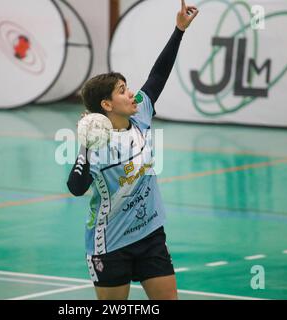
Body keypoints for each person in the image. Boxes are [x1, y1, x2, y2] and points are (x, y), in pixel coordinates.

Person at [67, 0, 199, 300]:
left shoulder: (139, 114)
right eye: (123, 90)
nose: (131, 93)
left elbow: (158, 76)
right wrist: (85, 149)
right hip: (110, 244)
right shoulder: (97, 145)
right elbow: (75, 188)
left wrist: (179, 29)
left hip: (150, 234)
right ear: (106, 105)